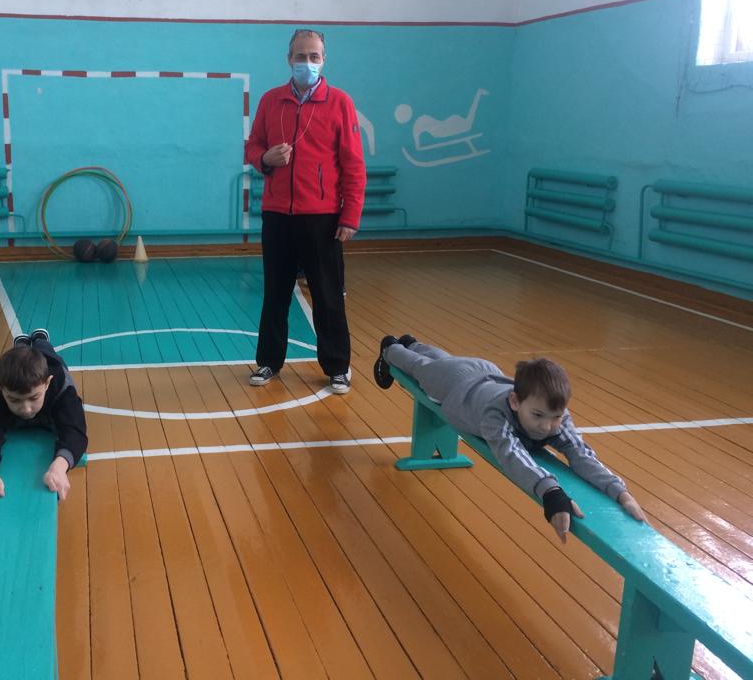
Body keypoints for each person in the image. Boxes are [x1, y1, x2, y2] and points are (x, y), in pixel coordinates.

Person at [373, 335, 647, 543]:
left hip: (485, 371)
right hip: (455, 386)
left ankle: (413, 343)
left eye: (556, 416)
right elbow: (512, 455)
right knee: (421, 367)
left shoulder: (553, 415)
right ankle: (391, 348)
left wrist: (618, 491)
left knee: (444, 361)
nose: (547, 427)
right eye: (538, 415)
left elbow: (580, 453)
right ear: (515, 402)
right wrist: (551, 492)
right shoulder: (496, 415)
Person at [245, 29, 366, 394]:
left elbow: (353, 165)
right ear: (289, 59)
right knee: (275, 295)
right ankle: (268, 361)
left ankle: (338, 367)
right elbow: (252, 147)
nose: (307, 63)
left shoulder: (340, 102)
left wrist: (350, 216)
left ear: (323, 60)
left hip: (323, 218)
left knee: (328, 296)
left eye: (314, 57)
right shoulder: (271, 101)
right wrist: (265, 158)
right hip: (278, 216)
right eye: (301, 56)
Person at [0, 329, 88, 508]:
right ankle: (21, 344)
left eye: (34, 397)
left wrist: (60, 466)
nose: (26, 409)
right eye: (14, 400)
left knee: (44, 348)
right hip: (19, 372)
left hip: (49, 360)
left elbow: (74, 429)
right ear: (0, 388)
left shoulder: (62, 389)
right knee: (19, 354)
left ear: (47, 383)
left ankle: (40, 339)